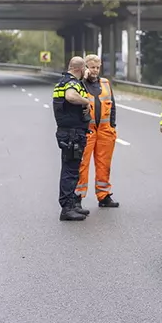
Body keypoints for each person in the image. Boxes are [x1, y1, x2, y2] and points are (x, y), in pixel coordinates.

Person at [75, 54, 120, 210]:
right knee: (82, 165)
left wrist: (112, 125)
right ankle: (77, 198)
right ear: (85, 68)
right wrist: (83, 79)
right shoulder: (80, 84)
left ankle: (104, 196)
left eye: (97, 67)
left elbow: (112, 106)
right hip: (87, 130)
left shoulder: (105, 83)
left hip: (105, 131)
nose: (95, 70)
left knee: (104, 164)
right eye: (92, 67)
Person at [53, 57, 92, 221]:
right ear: (80, 69)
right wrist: (86, 101)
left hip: (69, 132)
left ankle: (70, 204)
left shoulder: (62, 82)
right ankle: (67, 208)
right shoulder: (72, 83)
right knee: (70, 171)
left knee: (71, 169)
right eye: (85, 69)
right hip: (72, 134)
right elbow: (70, 96)